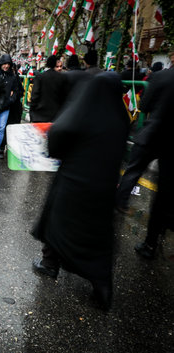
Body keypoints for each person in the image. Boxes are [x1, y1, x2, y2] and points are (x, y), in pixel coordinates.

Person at [31, 73, 129, 311]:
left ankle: (49, 264)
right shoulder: (121, 118)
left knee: (55, 225)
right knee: (97, 241)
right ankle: (101, 286)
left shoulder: (83, 111)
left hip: (74, 185)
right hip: (104, 189)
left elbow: (58, 136)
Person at [132, 68, 174, 259]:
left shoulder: (162, 76)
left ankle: (150, 243)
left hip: (155, 136)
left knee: (135, 172)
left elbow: (145, 104)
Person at [0, 54, 19, 158]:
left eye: (8, 64)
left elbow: (16, 91)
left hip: (6, 107)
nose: (6, 66)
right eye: (4, 64)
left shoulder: (13, 77)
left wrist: (11, 99)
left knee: (1, 128)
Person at [29, 55, 67, 122]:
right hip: (56, 116)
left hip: (40, 115)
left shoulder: (40, 77)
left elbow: (34, 96)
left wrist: (32, 112)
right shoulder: (62, 78)